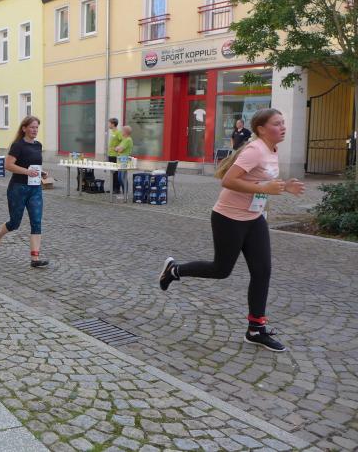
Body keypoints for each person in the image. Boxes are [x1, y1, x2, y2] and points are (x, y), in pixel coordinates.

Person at [158, 108, 305, 352]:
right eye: (277, 123)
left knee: (262, 271)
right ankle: (174, 270)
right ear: (261, 129)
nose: (283, 127)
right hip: (229, 218)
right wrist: (265, 188)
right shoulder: (255, 150)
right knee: (221, 270)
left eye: (283, 122)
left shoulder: (271, 149)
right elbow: (228, 180)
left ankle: (255, 330)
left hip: (254, 218)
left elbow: (260, 181)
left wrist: (283, 187)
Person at [0, 115, 49, 268]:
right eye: (32, 127)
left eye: (36, 127)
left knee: (36, 221)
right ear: (24, 128)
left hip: (35, 189)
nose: (35, 130)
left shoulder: (38, 145)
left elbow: (33, 165)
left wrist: (41, 173)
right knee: (14, 223)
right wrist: (27, 172)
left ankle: (35, 258)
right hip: (18, 188)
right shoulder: (18, 145)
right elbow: (8, 165)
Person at [114, 125, 134, 200]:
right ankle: (124, 194)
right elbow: (117, 148)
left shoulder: (128, 140)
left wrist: (118, 149)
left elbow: (119, 149)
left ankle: (126, 194)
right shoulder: (124, 139)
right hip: (120, 160)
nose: (121, 132)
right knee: (120, 178)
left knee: (123, 178)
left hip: (124, 161)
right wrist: (118, 148)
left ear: (125, 132)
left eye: (122, 130)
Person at [107, 118, 123, 194]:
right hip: (110, 155)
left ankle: (117, 189)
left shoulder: (118, 132)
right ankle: (113, 188)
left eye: (109, 123)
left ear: (113, 124)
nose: (108, 125)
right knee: (112, 173)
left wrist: (117, 148)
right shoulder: (113, 132)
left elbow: (123, 141)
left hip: (115, 156)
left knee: (116, 173)